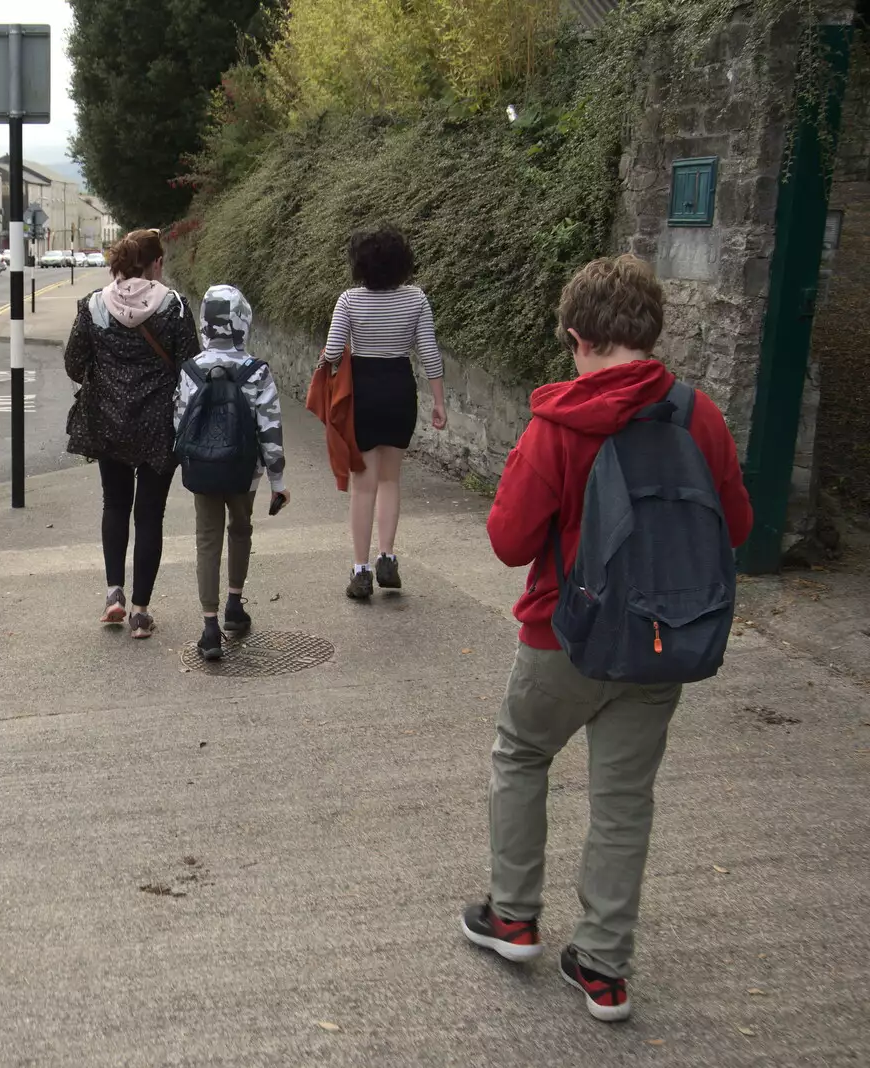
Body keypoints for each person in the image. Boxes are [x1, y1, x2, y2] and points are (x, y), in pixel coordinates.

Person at [460, 255, 753, 1021]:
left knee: (522, 755)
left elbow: (509, 539)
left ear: (576, 336)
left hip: (563, 636)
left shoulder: (558, 424)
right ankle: (603, 967)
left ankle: (514, 917)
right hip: (661, 638)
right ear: (651, 330)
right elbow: (739, 527)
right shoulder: (699, 416)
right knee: (624, 799)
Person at [64, 229, 199, 638]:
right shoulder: (173, 307)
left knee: (115, 505)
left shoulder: (93, 306)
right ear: (156, 263)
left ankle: (114, 595)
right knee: (150, 515)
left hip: (108, 421)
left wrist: (105, 378)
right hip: (158, 425)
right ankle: (141, 612)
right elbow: (190, 365)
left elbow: (73, 363)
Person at [319, 225, 448, 599]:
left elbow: (331, 352)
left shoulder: (349, 301)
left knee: (364, 485)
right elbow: (429, 352)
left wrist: (326, 366)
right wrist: (438, 402)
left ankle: (360, 571)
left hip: (363, 391)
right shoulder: (416, 300)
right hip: (399, 389)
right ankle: (387, 558)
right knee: (391, 479)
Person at [173, 285, 290, 660]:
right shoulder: (256, 372)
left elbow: (179, 422)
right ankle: (234, 608)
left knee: (207, 539)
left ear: (205, 323)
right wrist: (278, 481)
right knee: (240, 529)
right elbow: (270, 429)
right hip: (244, 470)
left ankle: (209, 629)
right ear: (243, 323)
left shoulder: (190, 369)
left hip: (203, 470)